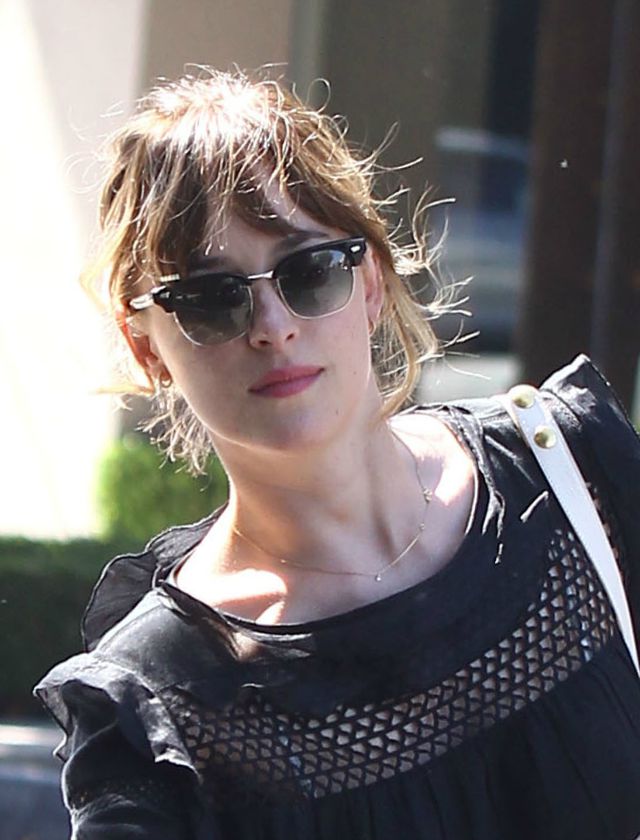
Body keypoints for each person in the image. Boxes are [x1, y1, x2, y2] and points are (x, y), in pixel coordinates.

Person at [35, 68, 640, 840]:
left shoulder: (573, 474)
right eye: (211, 298)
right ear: (145, 346)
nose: (273, 326)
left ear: (372, 283)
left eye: (309, 271)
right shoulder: (162, 704)